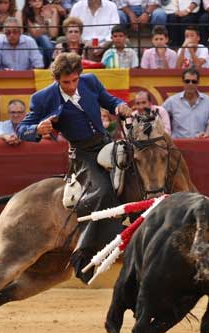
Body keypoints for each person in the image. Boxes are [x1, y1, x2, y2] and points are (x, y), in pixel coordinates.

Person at [16, 52, 131, 283]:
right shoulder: (43, 98)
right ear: (57, 79)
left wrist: (120, 106)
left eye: (74, 80)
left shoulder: (90, 81)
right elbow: (22, 129)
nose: (71, 86)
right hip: (82, 154)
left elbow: (109, 100)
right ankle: (83, 253)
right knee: (104, 192)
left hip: (105, 143)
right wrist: (37, 129)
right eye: (66, 82)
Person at [162, 67, 209, 138]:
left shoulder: (208, 101)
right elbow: (158, 116)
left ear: (198, 83)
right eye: (187, 81)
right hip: (178, 144)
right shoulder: (172, 101)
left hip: (201, 144)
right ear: (183, 82)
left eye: (194, 81)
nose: (190, 84)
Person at [23, 0, 59, 68]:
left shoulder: (52, 11)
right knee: (43, 38)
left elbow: (53, 34)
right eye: (34, 0)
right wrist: (45, 22)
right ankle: (54, 64)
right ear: (29, 2)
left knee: (41, 50)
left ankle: (45, 70)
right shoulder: (27, 14)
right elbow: (35, 34)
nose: (37, 1)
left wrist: (48, 18)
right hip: (34, 43)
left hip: (50, 43)